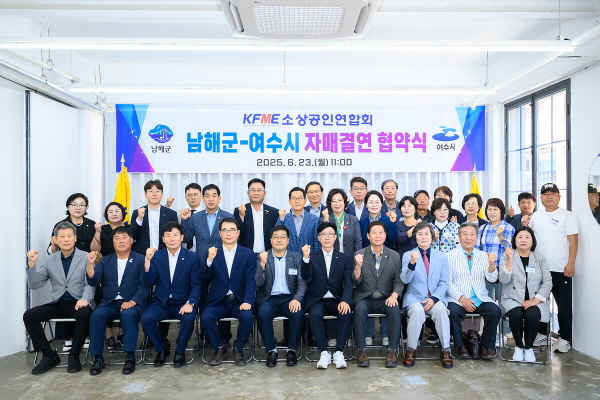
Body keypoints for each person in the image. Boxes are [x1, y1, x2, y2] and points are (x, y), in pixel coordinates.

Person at [24, 221, 95, 374]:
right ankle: (49, 355)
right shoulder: (50, 259)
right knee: (29, 315)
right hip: (57, 302)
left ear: (75, 238)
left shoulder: (85, 257)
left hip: (78, 302)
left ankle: (74, 355)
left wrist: (85, 299)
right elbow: (35, 284)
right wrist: (32, 264)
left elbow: (91, 283)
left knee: (84, 314)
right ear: (56, 240)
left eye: (69, 236)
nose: (66, 239)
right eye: (62, 236)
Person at [86, 226, 150, 375]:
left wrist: (133, 302)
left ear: (132, 240)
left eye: (124, 238)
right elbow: (93, 281)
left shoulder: (140, 259)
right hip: (109, 303)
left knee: (128, 315)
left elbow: (145, 285)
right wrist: (90, 264)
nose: (121, 241)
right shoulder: (105, 261)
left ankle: (130, 358)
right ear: (112, 242)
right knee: (96, 316)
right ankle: (98, 358)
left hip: (133, 303)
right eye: (117, 238)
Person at [140, 222, 201, 367]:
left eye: (175, 235)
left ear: (182, 237)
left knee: (188, 319)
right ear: (163, 239)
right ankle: (161, 349)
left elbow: (196, 285)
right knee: (146, 318)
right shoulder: (157, 256)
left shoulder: (192, 257)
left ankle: (180, 352)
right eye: (168, 236)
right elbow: (149, 281)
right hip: (161, 302)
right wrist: (147, 260)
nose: (172, 239)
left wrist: (190, 303)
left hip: (183, 302)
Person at [528, 183, 578, 353]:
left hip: (559, 269)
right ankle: (543, 334)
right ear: (540, 197)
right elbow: (529, 239)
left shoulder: (567, 216)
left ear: (559, 197)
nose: (549, 197)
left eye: (553, 193)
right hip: (538, 269)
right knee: (540, 303)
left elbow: (573, 240)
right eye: (545, 194)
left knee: (562, 305)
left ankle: (564, 338)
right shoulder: (536, 216)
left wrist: (571, 263)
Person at [200, 218, 257, 366]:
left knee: (247, 316)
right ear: (220, 233)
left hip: (239, 300)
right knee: (205, 318)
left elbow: (250, 281)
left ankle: (239, 348)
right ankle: (219, 347)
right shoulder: (213, 252)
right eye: (224, 230)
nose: (228, 233)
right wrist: (209, 260)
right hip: (219, 300)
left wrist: (248, 301)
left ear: (238, 233)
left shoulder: (247, 254)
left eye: (232, 230)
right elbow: (204, 277)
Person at [302, 222, 354, 369]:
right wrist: (305, 259)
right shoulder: (312, 257)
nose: (327, 237)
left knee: (346, 312)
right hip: (318, 299)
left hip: (337, 299)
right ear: (318, 238)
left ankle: (339, 352)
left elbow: (348, 282)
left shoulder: (344, 258)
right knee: (314, 314)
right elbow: (306, 277)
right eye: (323, 234)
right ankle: (324, 352)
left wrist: (345, 301)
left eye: (330, 234)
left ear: (335, 237)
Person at [48, 193, 96, 352]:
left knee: (85, 301)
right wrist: (54, 246)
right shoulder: (61, 224)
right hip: (66, 266)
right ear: (68, 207)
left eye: (82, 204)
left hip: (85, 265)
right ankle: (67, 338)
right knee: (65, 298)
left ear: (86, 207)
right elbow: (53, 251)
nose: (78, 207)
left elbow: (96, 246)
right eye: (74, 204)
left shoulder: (91, 224)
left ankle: (85, 336)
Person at [401, 222, 452, 369]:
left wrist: (434, 298)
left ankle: (446, 350)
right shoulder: (408, 255)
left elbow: (445, 282)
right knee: (417, 311)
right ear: (415, 237)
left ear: (432, 236)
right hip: (414, 298)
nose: (424, 237)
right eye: (420, 234)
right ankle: (411, 349)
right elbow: (405, 280)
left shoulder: (441, 256)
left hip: (435, 298)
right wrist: (412, 263)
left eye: (426, 234)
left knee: (441, 310)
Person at [447, 222, 501, 359]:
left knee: (494, 310)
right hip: (458, 299)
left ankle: (485, 346)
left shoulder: (483, 255)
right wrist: (461, 299)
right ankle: (460, 345)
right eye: (465, 234)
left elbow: (492, 278)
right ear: (459, 236)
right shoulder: (449, 256)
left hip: (479, 298)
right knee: (452, 311)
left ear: (476, 237)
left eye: (472, 234)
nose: (468, 238)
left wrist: (491, 266)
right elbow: (446, 282)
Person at [352, 221, 403, 368]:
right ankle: (361, 350)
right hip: (365, 297)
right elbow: (355, 281)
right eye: (374, 232)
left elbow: (398, 280)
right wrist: (357, 267)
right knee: (359, 309)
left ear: (385, 235)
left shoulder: (394, 256)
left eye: (381, 232)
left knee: (394, 310)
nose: (378, 235)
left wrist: (394, 295)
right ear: (368, 236)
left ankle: (392, 351)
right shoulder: (359, 254)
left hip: (386, 297)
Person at [255, 225, 306, 367]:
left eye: (282, 237)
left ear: (288, 240)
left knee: (298, 313)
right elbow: (258, 282)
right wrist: (262, 264)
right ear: (271, 240)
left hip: (289, 298)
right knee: (262, 313)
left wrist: (297, 298)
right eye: (276, 237)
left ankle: (292, 350)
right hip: (268, 298)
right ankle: (271, 350)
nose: (279, 240)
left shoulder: (296, 258)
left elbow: (302, 282)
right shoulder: (262, 257)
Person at [499, 227, 553, 362]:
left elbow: (548, 282)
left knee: (532, 315)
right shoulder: (507, 255)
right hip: (512, 299)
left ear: (532, 240)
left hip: (535, 300)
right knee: (516, 315)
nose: (523, 240)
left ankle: (528, 348)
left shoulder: (539, 258)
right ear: (515, 240)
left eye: (527, 237)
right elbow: (503, 280)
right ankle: (519, 346)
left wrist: (535, 300)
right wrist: (509, 260)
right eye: (520, 237)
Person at [477, 198, 515, 307]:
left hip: (502, 271)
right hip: (485, 270)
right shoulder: (482, 228)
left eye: (495, 209)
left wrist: (501, 237)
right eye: (489, 209)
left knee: (503, 304)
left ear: (501, 211)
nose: (492, 212)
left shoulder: (509, 228)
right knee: (487, 303)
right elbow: (477, 249)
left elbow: (511, 251)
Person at [131, 180, 178, 255]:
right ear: (145, 195)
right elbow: (132, 235)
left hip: (165, 254)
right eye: (151, 191)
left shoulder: (171, 214)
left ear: (162, 195)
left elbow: (175, 236)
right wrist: (139, 219)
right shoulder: (137, 213)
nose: (154, 194)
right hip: (142, 255)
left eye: (157, 191)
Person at [234, 178, 279, 254]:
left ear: (264, 193)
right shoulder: (240, 210)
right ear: (248, 193)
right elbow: (237, 234)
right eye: (253, 190)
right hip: (246, 254)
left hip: (267, 255)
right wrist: (241, 216)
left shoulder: (274, 212)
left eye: (259, 190)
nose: (256, 193)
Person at [276, 187, 321, 255]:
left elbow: (316, 242)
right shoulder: (284, 218)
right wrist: (281, 219)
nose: (297, 201)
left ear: (305, 201)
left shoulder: (314, 219)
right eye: (294, 198)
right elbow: (276, 235)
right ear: (289, 201)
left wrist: (315, 258)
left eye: (300, 198)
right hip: (289, 258)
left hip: (308, 257)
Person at [321, 188, 362, 254]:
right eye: (334, 201)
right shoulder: (324, 220)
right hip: (331, 258)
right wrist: (326, 221)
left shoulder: (353, 220)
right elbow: (322, 240)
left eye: (340, 200)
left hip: (350, 258)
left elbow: (358, 242)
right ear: (330, 203)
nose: (337, 203)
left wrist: (357, 256)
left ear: (344, 202)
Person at [175, 183, 204, 251]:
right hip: (183, 252)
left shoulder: (206, 214)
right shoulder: (179, 214)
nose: (193, 197)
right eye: (189, 195)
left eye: (195, 194)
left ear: (201, 196)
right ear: (185, 197)